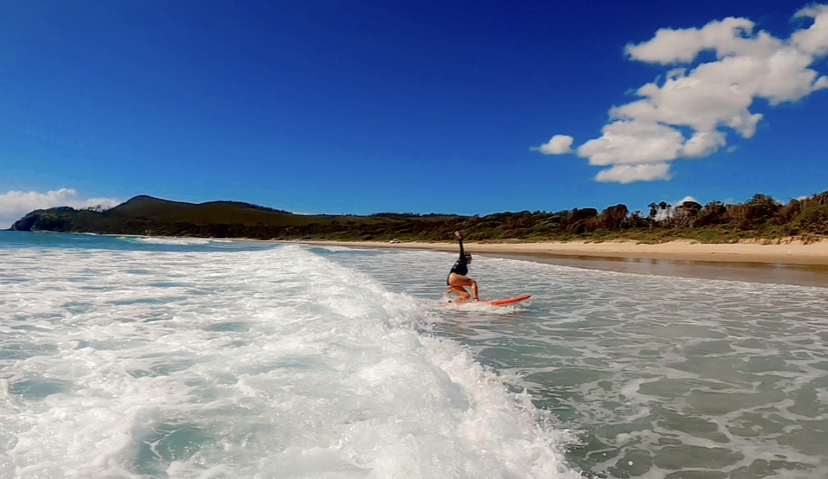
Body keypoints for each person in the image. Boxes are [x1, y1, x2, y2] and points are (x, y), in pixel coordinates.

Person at [446, 230, 479, 302]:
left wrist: (451, 288)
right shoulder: (462, 259)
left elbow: (459, 280)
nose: (471, 260)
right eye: (471, 258)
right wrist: (460, 239)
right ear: (468, 258)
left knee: (466, 296)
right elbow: (462, 250)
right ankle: (476, 300)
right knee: (473, 282)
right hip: (453, 277)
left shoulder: (463, 265)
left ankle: (453, 304)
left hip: (450, 282)